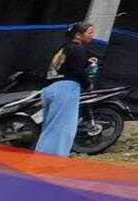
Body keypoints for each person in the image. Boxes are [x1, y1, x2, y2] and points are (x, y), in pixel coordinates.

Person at [34, 21, 97, 156]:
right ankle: (51, 163)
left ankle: (40, 159)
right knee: (63, 129)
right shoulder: (78, 49)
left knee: (50, 128)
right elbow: (78, 70)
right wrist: (88, 83)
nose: (92, 36)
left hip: (50, 88)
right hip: (66, 88)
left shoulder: (63, 48)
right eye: (90, 32)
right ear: (78, 35)